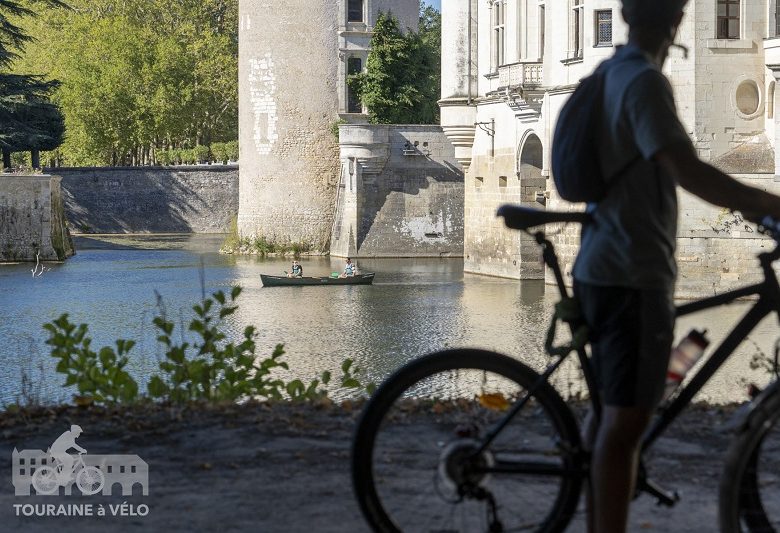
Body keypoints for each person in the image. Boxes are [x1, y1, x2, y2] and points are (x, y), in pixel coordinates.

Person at [574, 2, 780, 532]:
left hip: (604, 259)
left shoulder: (611, 71)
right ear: (678, 19)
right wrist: (771, 205)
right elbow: (689, 171)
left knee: (611, 415)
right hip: (632, 267)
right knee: (625, 426)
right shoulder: (644, 82)